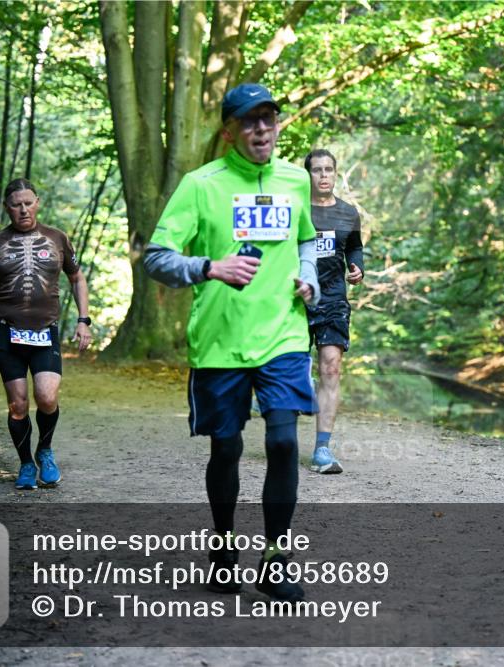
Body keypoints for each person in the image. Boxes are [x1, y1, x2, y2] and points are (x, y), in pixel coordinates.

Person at [144, 83, 319, 603]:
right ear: (229, 131)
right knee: (227, 448)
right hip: (220, 341)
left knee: (285, 441)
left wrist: (307, 274)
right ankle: (223, 551)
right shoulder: (201, 185)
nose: (262, 129)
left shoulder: (296, 180)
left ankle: (277, 558)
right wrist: (208, 267)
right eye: (249, 121)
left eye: (269, 119)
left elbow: (307, 237)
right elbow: (156, 256)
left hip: (283, 333)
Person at [0, 179, 92, 490]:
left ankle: (45, 450)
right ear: (7, 208)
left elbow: (77, 278)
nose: (23, 209)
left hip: (45, 332)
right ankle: (25, 463)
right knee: (17, 405)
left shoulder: (57, 239)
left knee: (46, 397)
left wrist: (84, 320)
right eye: (16, 204)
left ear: (38, 203)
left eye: (28, 202)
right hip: (8, 333)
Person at [303, 149, 364, 474]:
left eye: (329, 169)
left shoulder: (348, 213)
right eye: (317, 170)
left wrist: (358, 268)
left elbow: (354, 247)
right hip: (296, 299)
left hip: (334, 300)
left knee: (331, 368)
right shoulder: (296, 210)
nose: (324, 175)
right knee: (292, 370)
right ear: (308, 175)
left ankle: (322, 450)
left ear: (335, 174)